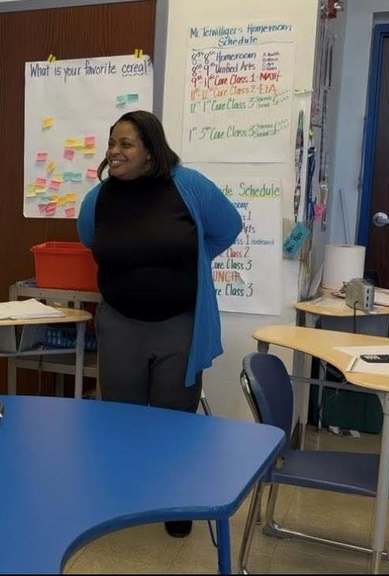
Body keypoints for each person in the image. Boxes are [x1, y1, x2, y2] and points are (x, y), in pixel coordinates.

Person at [77, 110, 242, 538]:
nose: (114, 152)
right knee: (120, 420)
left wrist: (192, 260)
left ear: (151, 150)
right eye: (111, 143)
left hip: (178, 325)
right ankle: (121, 501)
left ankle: (176, 504)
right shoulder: (99, 198)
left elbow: (228, 228)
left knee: (175, 420)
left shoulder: (189, 187)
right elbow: (88, 238)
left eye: (125, 144)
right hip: (119, 324)